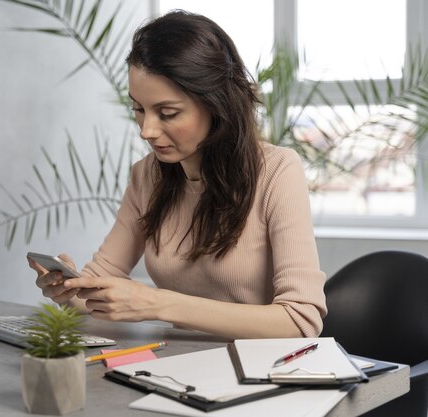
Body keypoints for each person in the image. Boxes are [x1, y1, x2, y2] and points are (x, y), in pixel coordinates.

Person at [28, 10, 327, 339]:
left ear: (216, 104)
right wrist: (71, 292)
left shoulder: (278, 171)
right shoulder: (146, 177)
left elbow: (300, 322)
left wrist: (159, 304)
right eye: (139, 109)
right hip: (180, 368)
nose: (147, 130)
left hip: (264, 372)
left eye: (167, 113)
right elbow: (100, 286)